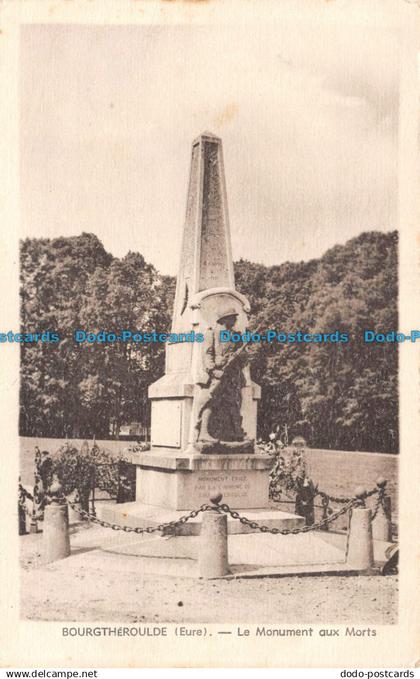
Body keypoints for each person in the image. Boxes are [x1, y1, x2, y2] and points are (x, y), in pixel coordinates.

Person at [194, 309, 247, 443]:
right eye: (232, 317)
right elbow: (207, 354)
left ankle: (237, 432)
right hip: (217, 374)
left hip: (232, 376)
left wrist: (241, 355)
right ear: (224, 319)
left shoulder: (236, 335)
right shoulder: (211, 333)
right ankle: (203, 432)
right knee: (210, 400)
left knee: (234, 403)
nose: (235, 320)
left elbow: (243, 358)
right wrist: (213, 370)